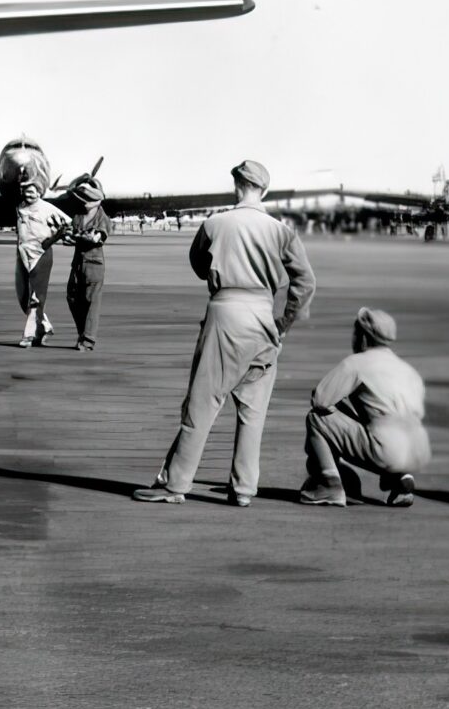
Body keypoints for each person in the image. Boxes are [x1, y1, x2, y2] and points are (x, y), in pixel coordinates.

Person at [135, 160, 316, 506]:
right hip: (263, 317)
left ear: (237, 185)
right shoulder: (281, 231)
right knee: (253, 413)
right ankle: (244, 489)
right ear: (264, 190)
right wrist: (284, 321)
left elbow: (198, 264)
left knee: (201, 405)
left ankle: (176, 484)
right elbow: (305, 281)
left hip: (225, 312)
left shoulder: (215, 223)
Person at [299, 307, 429, 507]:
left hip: (386, 450)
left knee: (317, 418)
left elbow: (320, 400)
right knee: (381, 421)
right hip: (417, 449)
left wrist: (338, 410)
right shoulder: (408, 370)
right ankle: (398, 479)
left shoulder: (357, 363)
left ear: (364, 337)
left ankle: (329, 484)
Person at [12, 184, 71, 347]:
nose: (29, 195)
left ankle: (28, 336)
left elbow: (68, 224)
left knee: (35, 298)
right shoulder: (20, 207)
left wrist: (51, 240)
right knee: (22, 295)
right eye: (26, 191)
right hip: (22, 254)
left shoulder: (47, 208)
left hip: (40, 255)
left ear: (39, 193)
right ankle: (44, 326)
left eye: (32, 192)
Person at [63, 178, 111, 351]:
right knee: (72, 297)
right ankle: (83, 333)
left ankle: (88, 340)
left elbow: (97, 238)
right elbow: (69, 239)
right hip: (77, 264)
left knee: (91, 303)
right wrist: (68, 236)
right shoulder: (78, 216)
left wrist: (78, 237)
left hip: (94, 264)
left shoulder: (102, 218)